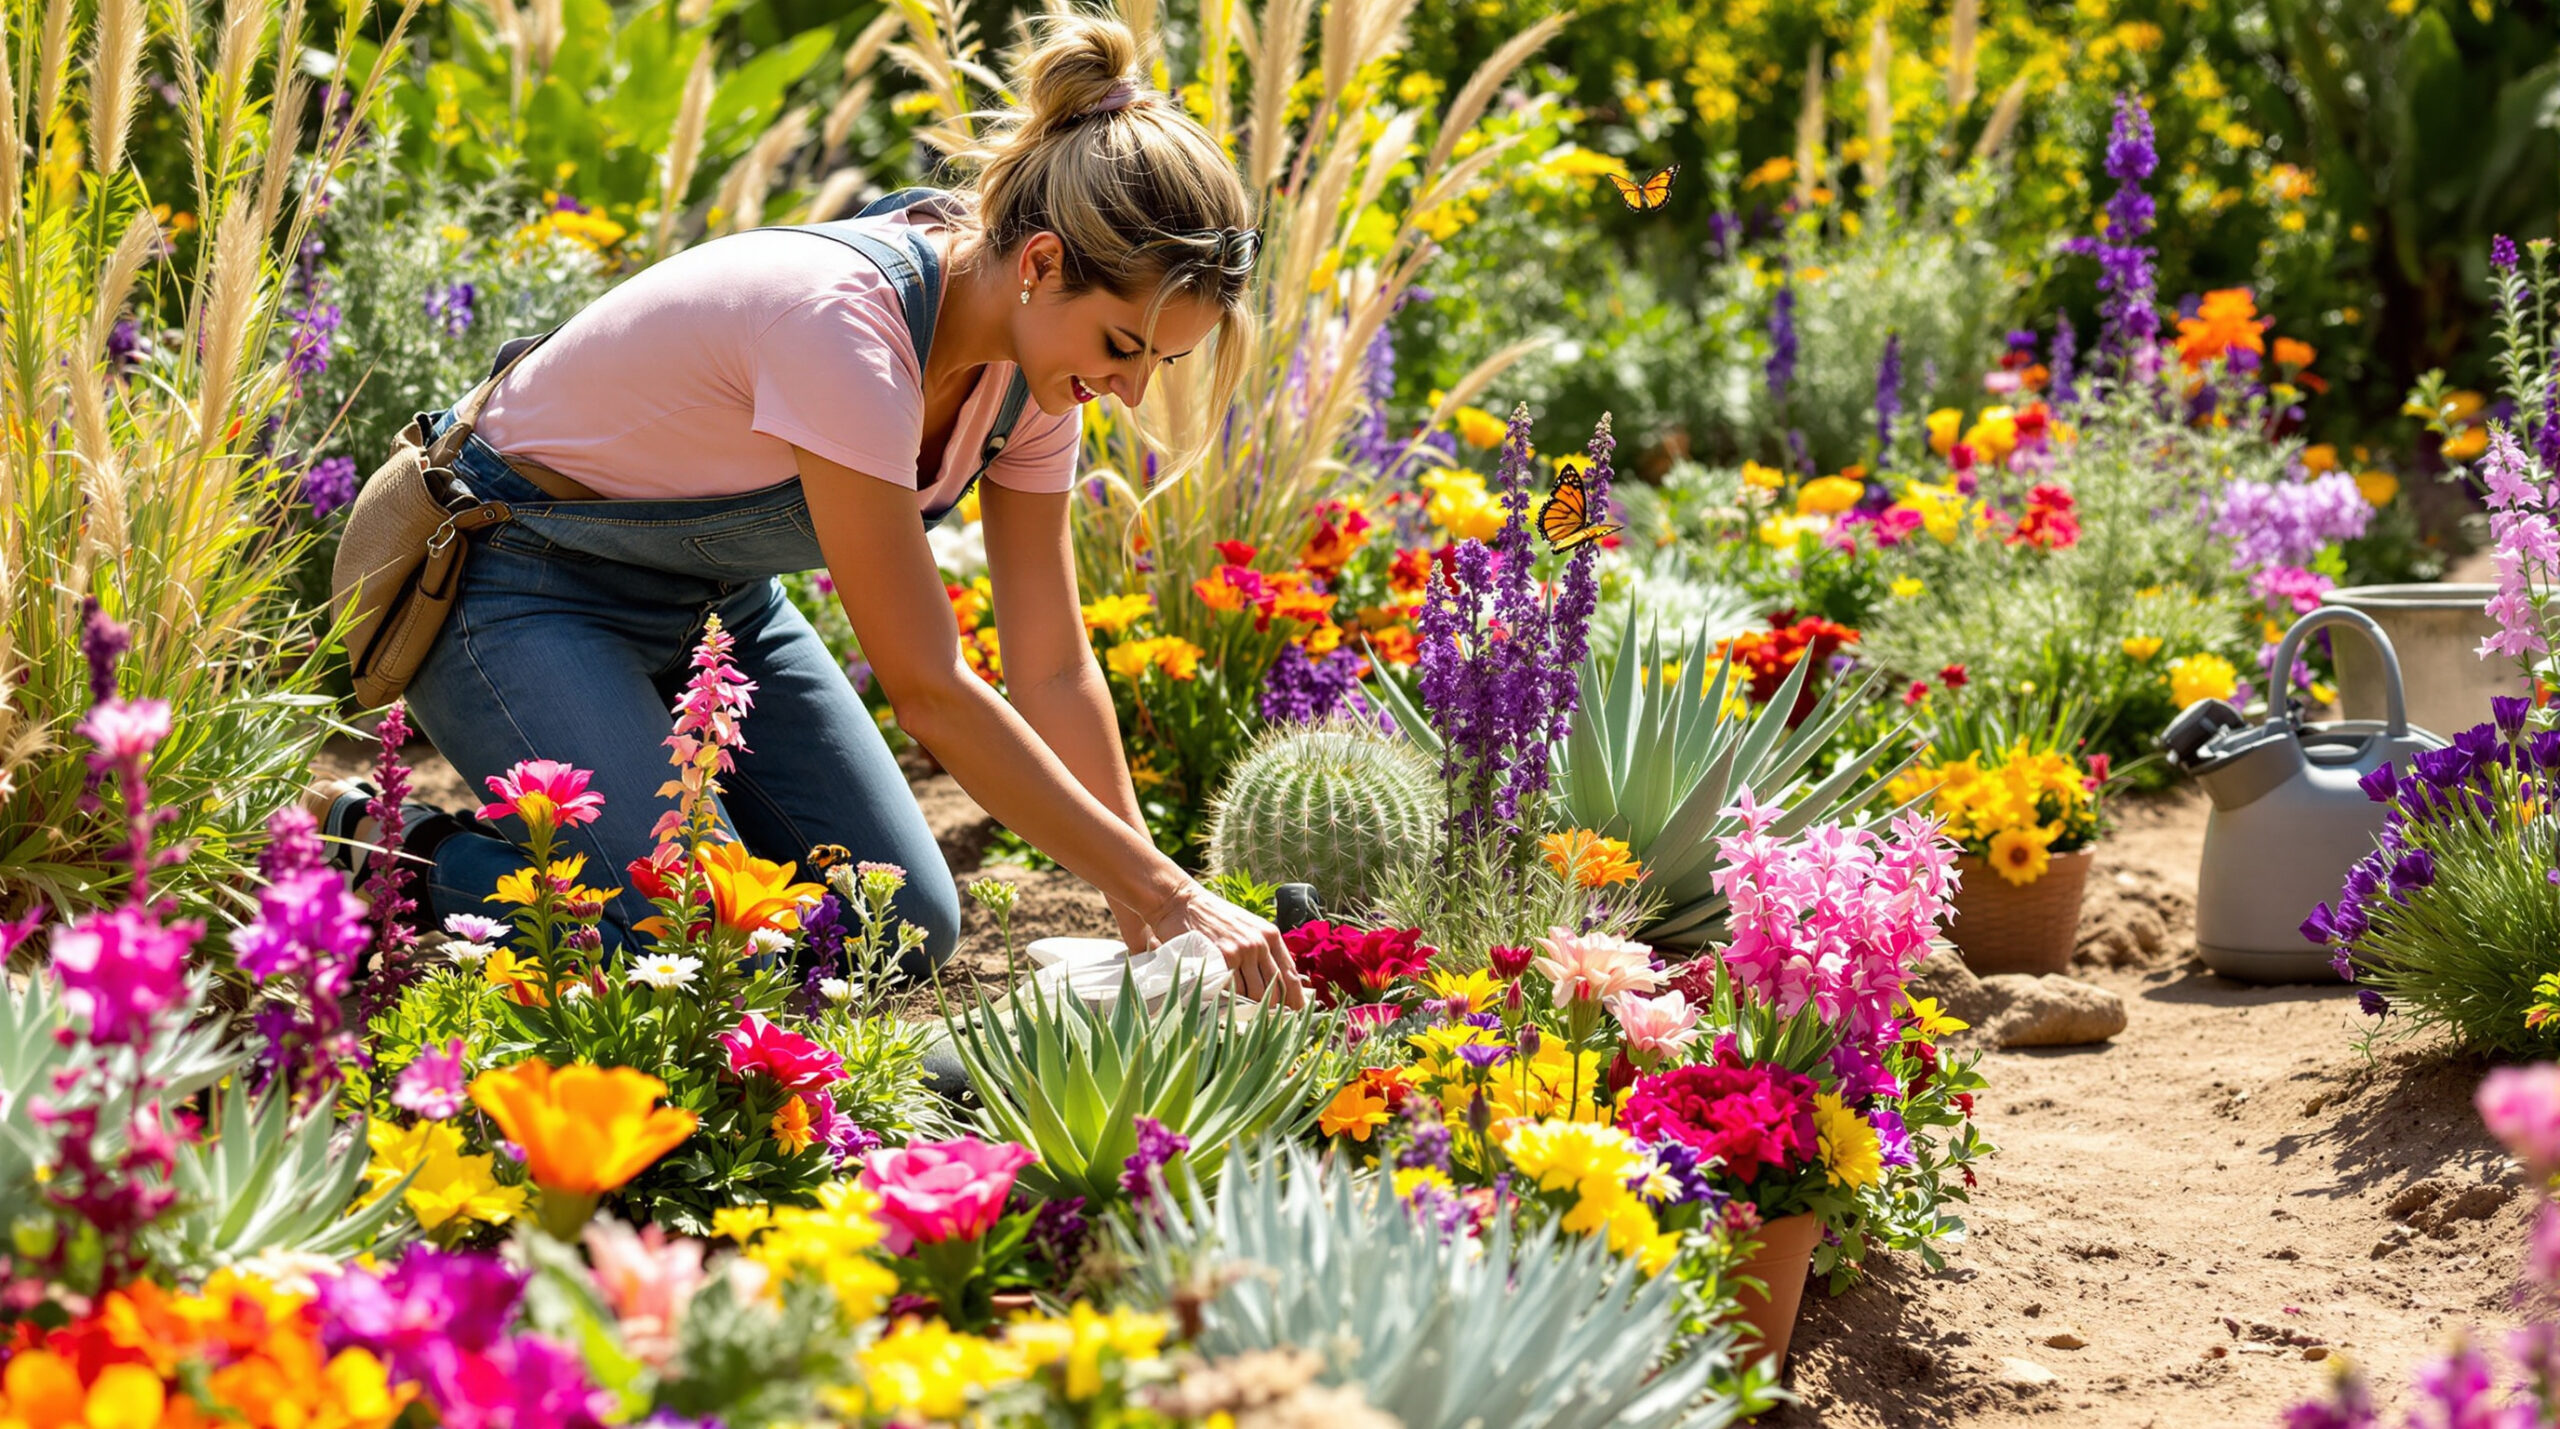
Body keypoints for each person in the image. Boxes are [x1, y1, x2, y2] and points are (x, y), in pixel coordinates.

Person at [314, 14, 1302, 1003]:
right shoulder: (843, 328)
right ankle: (392, 854)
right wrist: (1175, 892)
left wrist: (1149, 922)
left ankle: (596, 860)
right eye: (1124, 346)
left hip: (713, 609)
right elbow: (929, 689)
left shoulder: (1038, 376)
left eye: (1162, 360)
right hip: (511, 590)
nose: (1131, 389)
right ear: (1040, 264)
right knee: (708, 948)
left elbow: (1050, 665)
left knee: (893, 923)